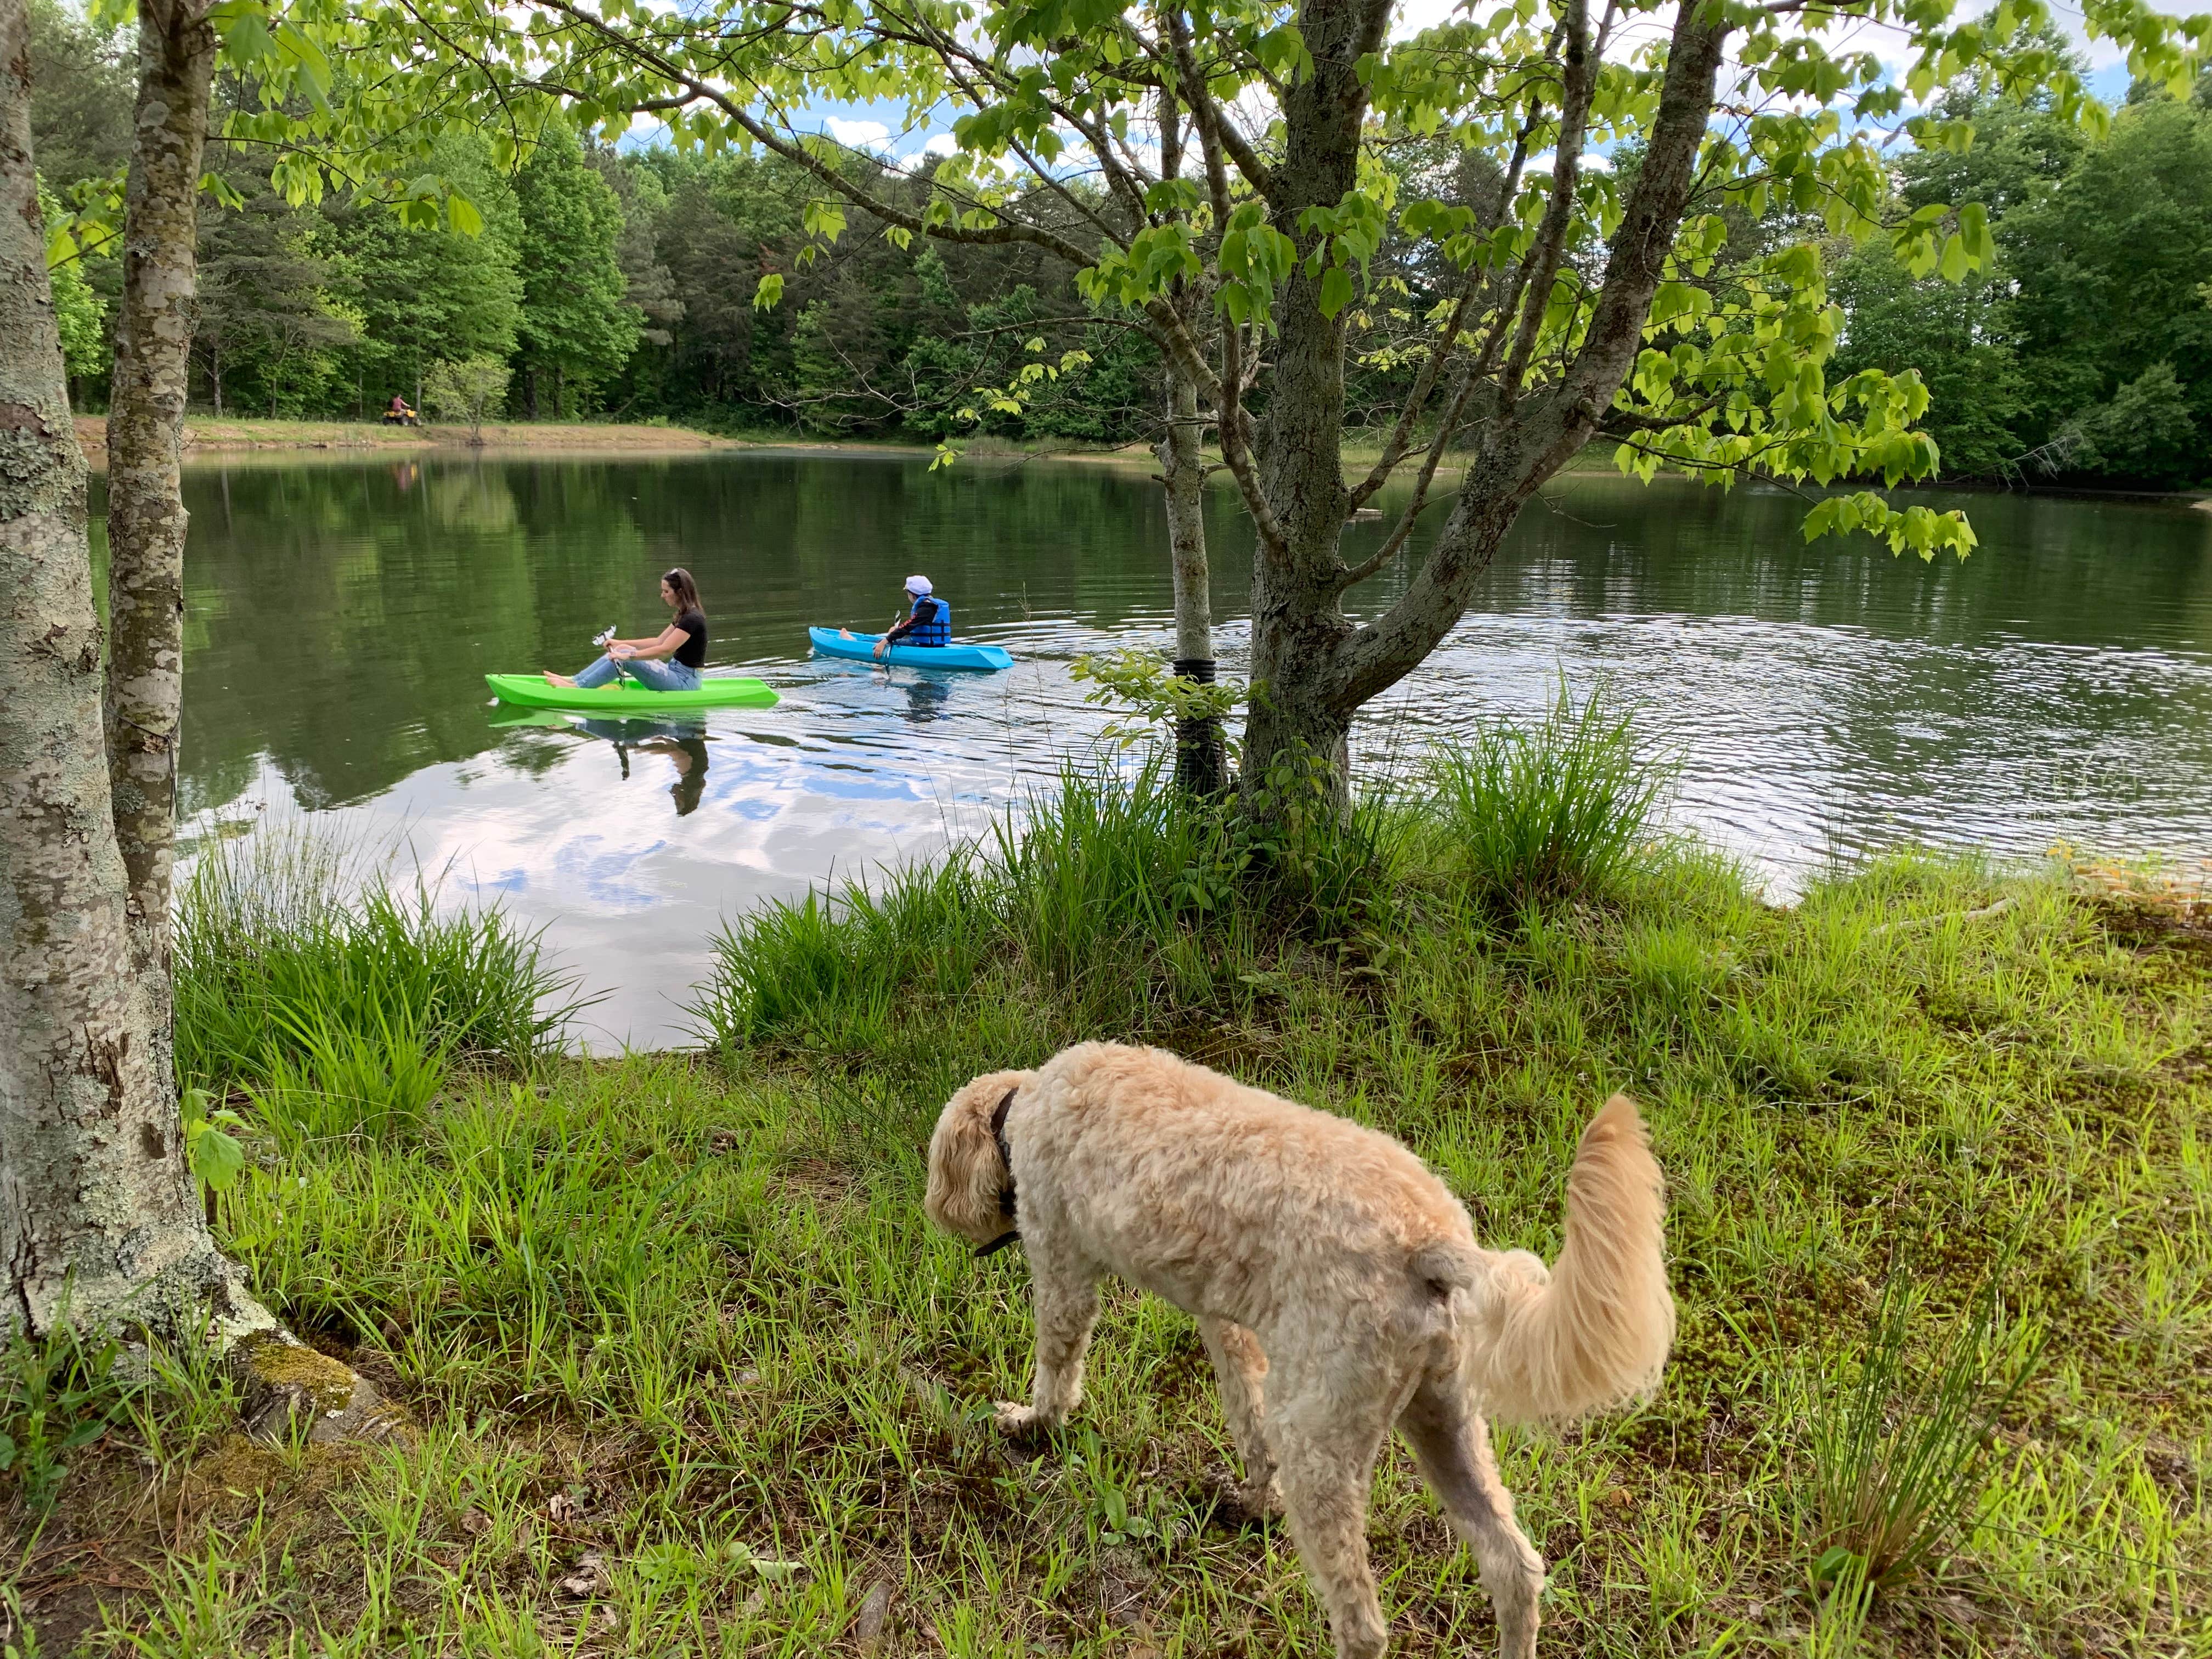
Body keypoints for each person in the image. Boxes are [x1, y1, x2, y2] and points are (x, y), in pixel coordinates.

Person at [545, 568, 708, 691]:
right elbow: (658, 641)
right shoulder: (684, 614)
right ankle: (575, 681)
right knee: (620, 650)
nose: (662, 595)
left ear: (680, 593)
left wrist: (627, 656)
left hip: (686, 683)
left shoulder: (692, 619)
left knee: (623, 658)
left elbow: (664, 650)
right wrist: (620, 643)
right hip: (674, 671)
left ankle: (579, 688)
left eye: (666, 592)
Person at [876, 574, 951, 658]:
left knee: (879, 642)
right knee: (888, 639)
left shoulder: (926, 609)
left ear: (912, 595)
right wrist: (896, 632)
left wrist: (886, 641)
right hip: (934, 645)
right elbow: (917, 627)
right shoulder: (931, 606)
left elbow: (909, 626)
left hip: (924, 646)